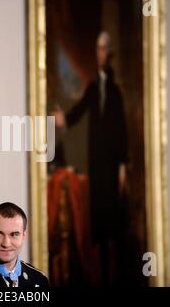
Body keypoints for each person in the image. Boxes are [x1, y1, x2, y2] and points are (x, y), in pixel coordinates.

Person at [51, 31, 128, 285]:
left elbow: (121, 128)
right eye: (97, 48)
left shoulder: (115, 91)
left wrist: (123, 166)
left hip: (113, 163)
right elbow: (79, 110)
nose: (100, 53)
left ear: (110, 53)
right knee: (100, 222)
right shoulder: (93, 88)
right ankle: (103, 278)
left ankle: (118, 277)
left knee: (115, 224)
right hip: (97, 164)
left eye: (104, 48)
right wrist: (64, 120)